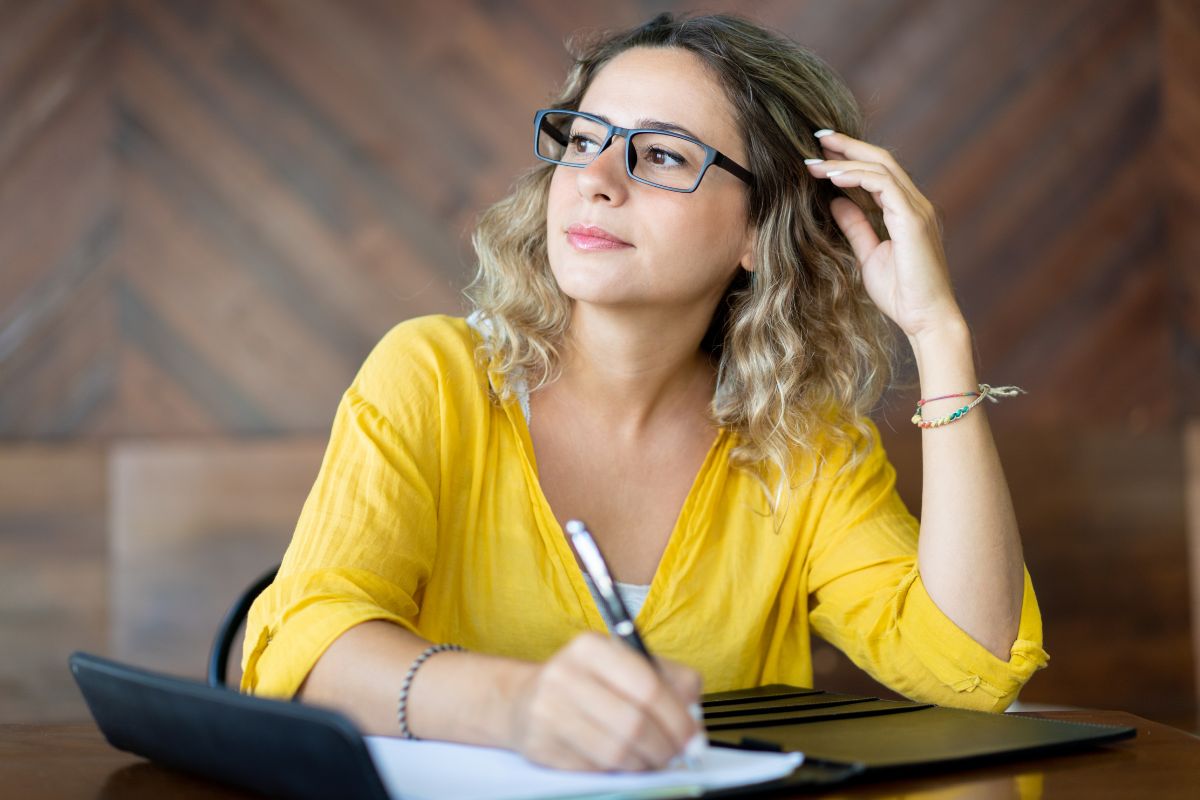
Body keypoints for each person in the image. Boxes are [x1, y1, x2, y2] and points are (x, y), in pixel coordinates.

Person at [240, 11, 1048, 773]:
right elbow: (299, 649)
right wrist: (520, 706)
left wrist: (940, 335)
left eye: (660, 155)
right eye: (584, 139)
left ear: (757, 232)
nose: (593, 179)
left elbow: (971, 667)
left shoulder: (806, 450)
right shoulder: (432, 376)